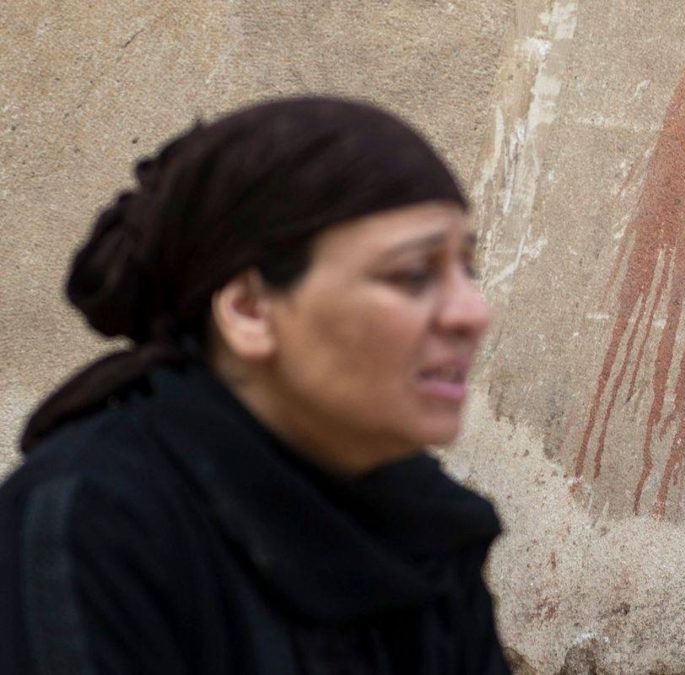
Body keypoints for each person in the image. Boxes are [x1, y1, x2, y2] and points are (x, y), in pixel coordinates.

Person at [0, 97, 509, 674]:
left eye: (466, 269)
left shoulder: (426, 523)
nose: (472, 312)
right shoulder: (96, 519)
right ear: (249, 310)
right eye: (414, 274)